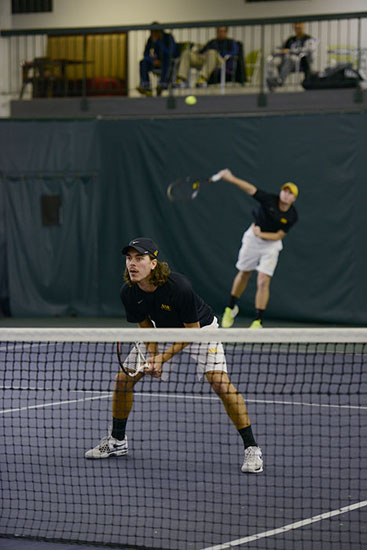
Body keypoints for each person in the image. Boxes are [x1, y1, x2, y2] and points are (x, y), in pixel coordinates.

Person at [85, 237, 263, 474]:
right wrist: (153, 356)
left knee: (220, 383)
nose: (132, 264)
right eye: (129, 258)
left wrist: (162, 359)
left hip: (200, 330)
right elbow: (146, 325)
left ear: (154, 263)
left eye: (139, 258)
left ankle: (252, 448)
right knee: (123, 380)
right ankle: (117, 441)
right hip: (162, 329)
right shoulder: (129, 291)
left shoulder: (179, 287)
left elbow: (191, 333)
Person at [218, 169, 298, 329]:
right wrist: (232, 178)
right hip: (252, 240)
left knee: (263, 280)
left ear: (294, 198)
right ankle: (230, 308)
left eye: (290, 193)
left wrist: (262, 234)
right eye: (284, 190)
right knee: (244, 273)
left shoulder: (292, 216)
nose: (286, 194)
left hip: (271, 245)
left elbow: (278, 236)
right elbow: (250, 189)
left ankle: (257, 321)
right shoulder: (269, 200)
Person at [266, 22, 317, 92]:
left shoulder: (308, 39)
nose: (297, 30)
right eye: (296, 28)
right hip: (285, 60)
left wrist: (290, 51)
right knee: (273, 61)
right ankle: (272, 82)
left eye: (299, 28)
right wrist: (280, 51)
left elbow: (308, 49)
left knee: (291, 58)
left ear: (303, 27)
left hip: (301, 62)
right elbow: (280, 48)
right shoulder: (290, 39)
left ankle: (280, 81)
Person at [137, 24, 177, 96]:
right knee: (143, 62)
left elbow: (170, 53)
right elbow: (145, 54)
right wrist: (153, 61)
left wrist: (158, 42)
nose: (153, 35)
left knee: (166, 61)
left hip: (167, 60)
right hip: (156, 62)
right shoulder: (151, 39)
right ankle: (146, 85)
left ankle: (162, 83)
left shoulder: (168, 37)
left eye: (154, 32)